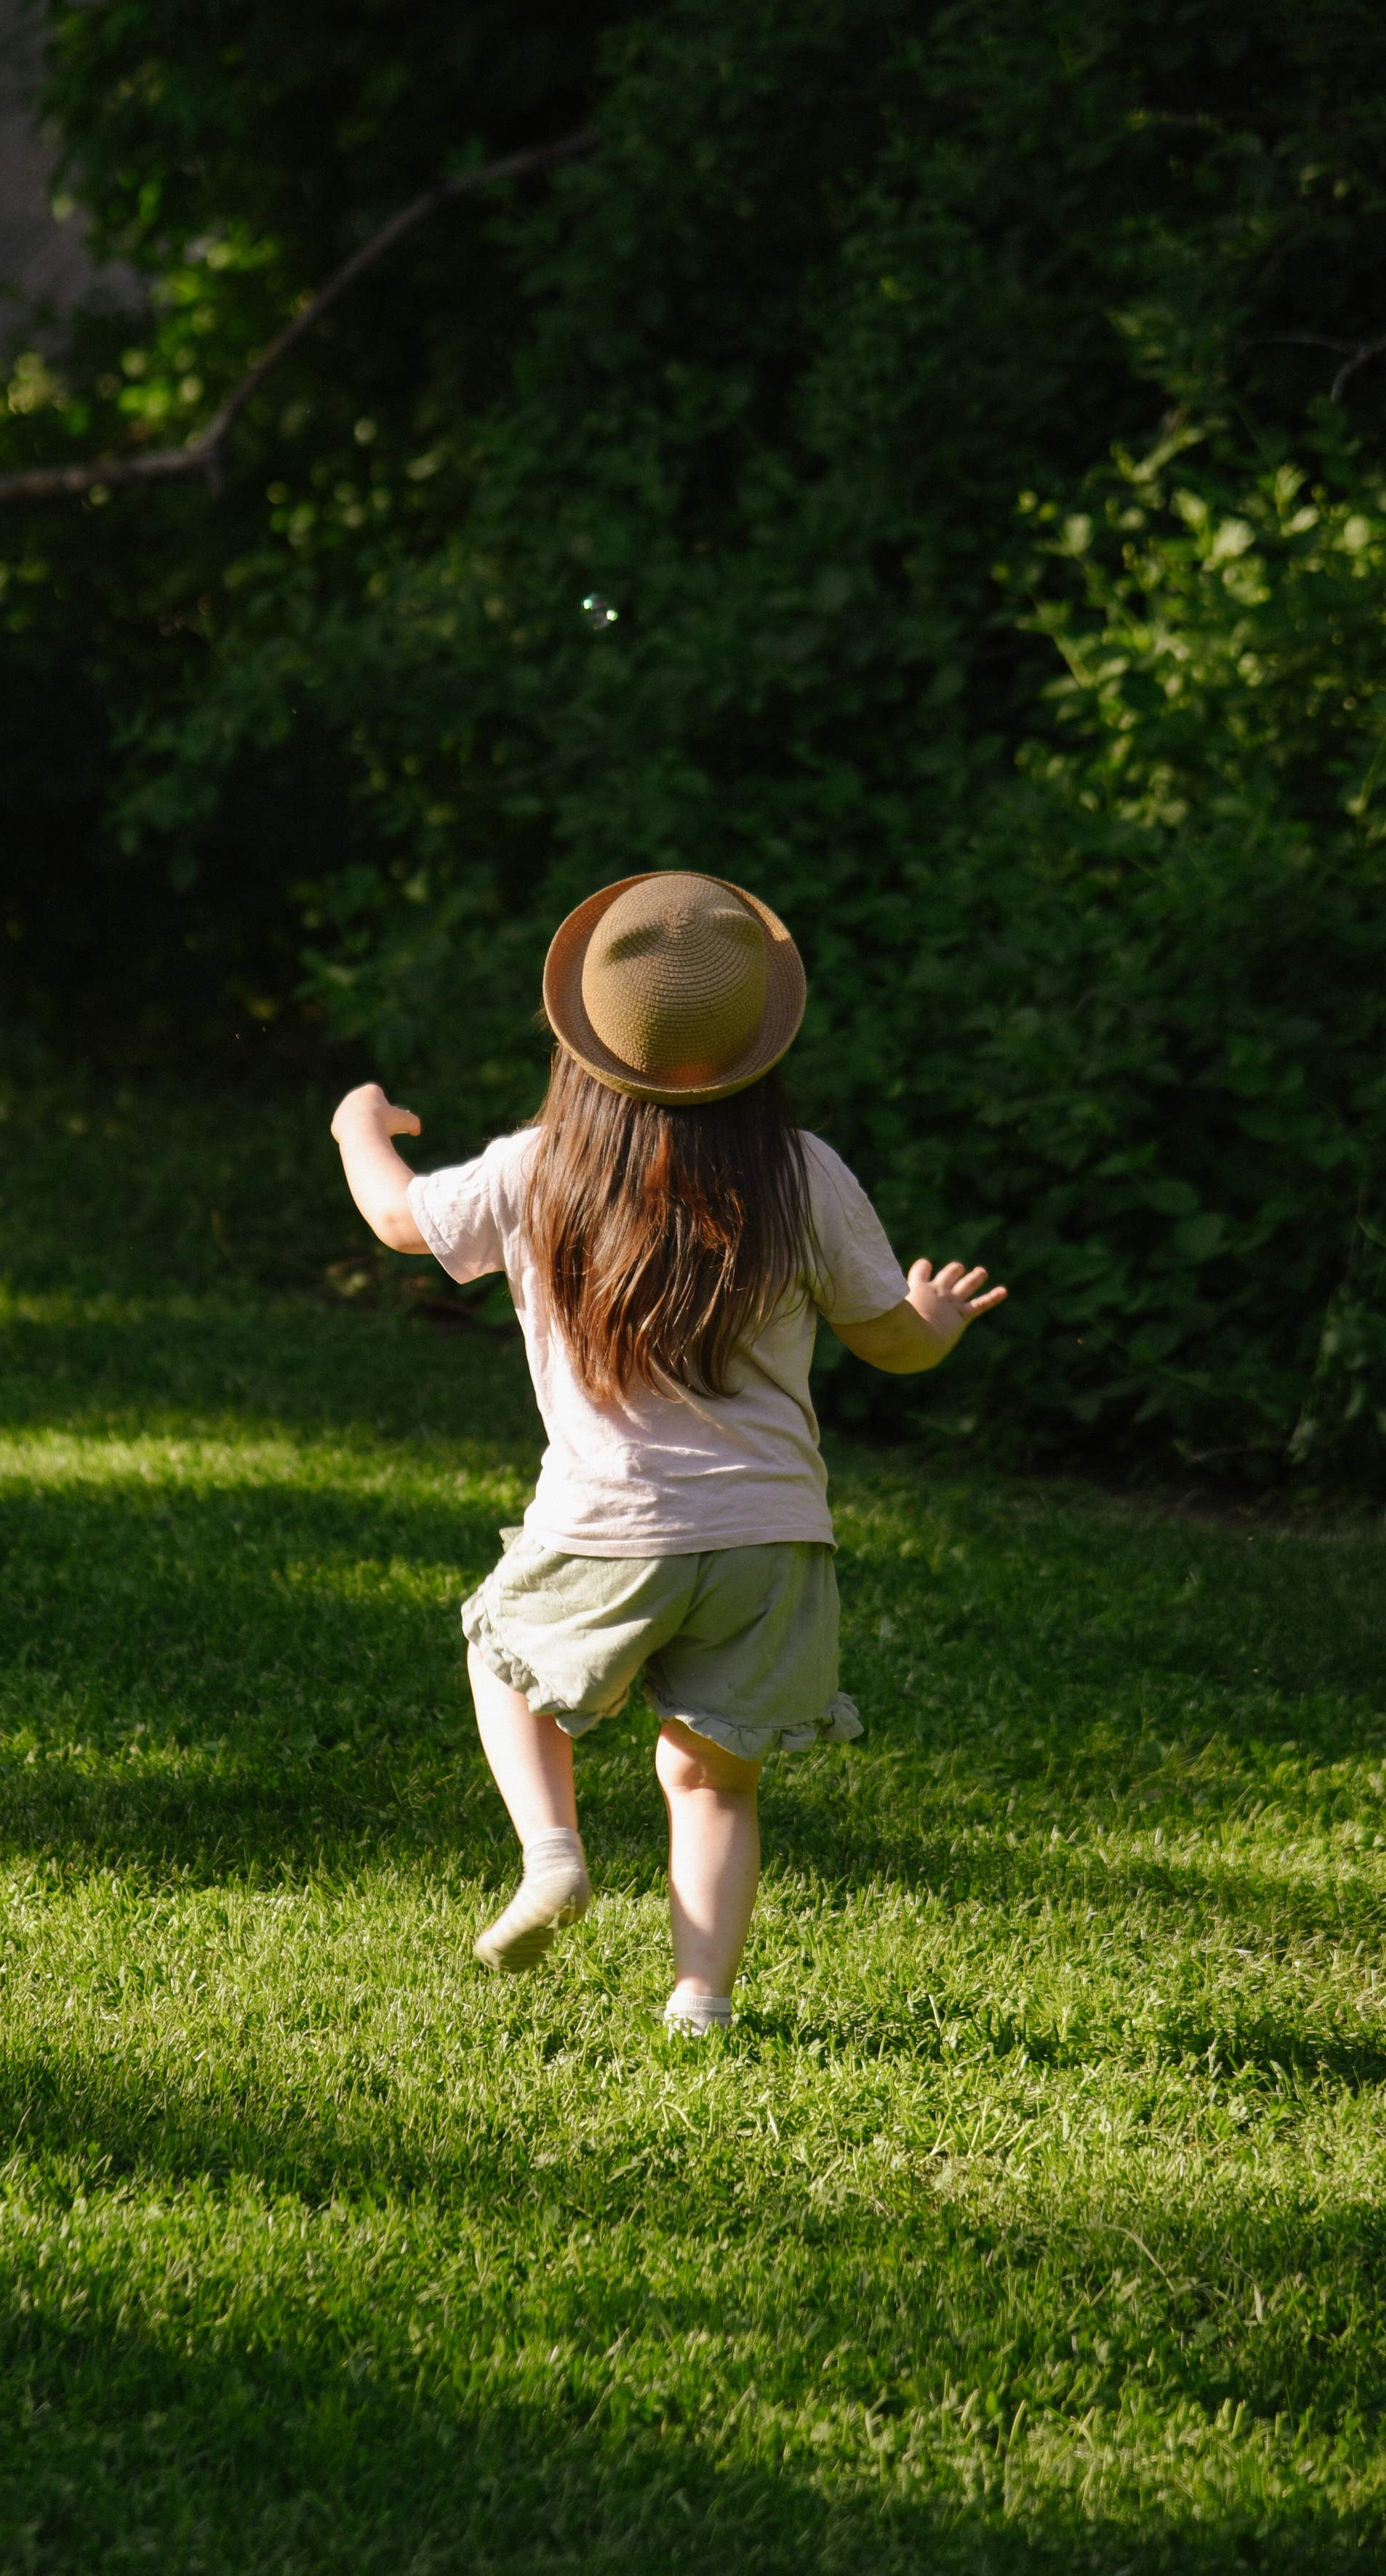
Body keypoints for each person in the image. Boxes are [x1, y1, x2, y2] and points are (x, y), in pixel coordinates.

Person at [329, 870, 1007, 2033]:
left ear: (587, 1034)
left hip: (608, 1523)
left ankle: (554, 1854)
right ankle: (701, 1999)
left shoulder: (544, 1164)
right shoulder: (802, 1172)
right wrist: (935, 1327)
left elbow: (400, 1219)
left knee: (503, 1658)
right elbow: (888, 1337)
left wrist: (357, 1124)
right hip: (773, 1543)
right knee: (713, 1782)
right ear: (763, 1041)